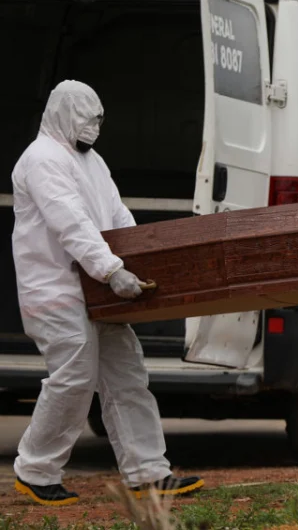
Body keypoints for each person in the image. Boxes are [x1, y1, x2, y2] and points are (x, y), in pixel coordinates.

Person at [10, 80, 203, 506]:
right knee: (74, 378)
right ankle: (35, 470)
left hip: (98, 291)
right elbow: (70, 222)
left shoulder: (93, 162)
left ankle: (149, 471)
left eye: (99, 118)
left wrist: (146, 261)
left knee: (127, 375)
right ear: (64, 113)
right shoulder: (41, 160)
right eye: (87, 117)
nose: (94, 126)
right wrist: (112, 268)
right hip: (57, 289)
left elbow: (118, 217)